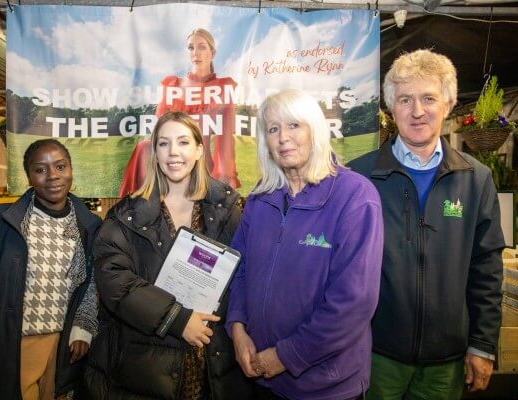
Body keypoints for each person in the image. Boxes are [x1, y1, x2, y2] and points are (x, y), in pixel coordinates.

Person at [348, 49, 505, 399]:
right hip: (375, 354)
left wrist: (482, 345)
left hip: (446, 363)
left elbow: (487, 269)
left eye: (428, 98)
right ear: (391, 108)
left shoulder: (475, 178)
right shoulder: (359, 177)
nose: (417, 111)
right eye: (405, 99)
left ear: (448, 105)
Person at [79, 111, 252, 400]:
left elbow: (244, 278)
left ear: (198, 149)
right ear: (154, 152)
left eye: (183, 142)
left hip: (214, 364)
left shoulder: (228, 208)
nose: (174, 152)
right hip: (146, 368)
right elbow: (115, 282)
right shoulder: (126, 216)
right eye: (164, 143)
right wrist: (177, 319)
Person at [226, 89, 384, 400]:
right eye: (273, 129)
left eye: (294, 125)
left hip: (325, 387)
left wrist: (286, 356)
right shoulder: (260, 198)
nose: (283, 137)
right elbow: (240, 269)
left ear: (316, 130)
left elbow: (353, 302)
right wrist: (237, 327)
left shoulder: (355, 197)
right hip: (261, 378)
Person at [0, 139, 101, 399]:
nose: (52, 176)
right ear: (29, 177)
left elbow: (94, 281)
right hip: (15, 345)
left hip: (64, 349)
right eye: (40, 170)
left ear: (71, 171)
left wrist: (84, 323)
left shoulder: (90, 227)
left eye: (60, 166)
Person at [119, 28, 240, 197]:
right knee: (144, 147)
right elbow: (158, 131)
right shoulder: (173, 85)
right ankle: (141, 207)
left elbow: (225, 139)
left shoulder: (223, 88)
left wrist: (224, 176)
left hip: (201, 161)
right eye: (191, 47)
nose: (195, 52)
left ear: (212, 52)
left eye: (202, 47)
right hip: (169, 157)